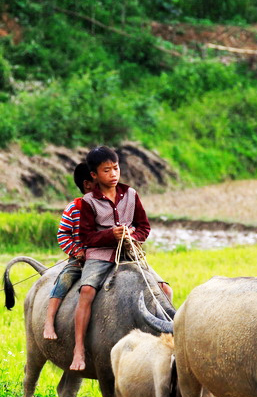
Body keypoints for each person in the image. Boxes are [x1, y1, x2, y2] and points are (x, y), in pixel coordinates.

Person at [69, 146, 172, 371]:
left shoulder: (131, 194)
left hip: (129, 252)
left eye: (115, 168)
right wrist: (110, 235)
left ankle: (165, 343)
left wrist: (133, 236)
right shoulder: (88, 201)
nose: (113, 174)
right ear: (94, 176)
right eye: (106, 170)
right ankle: (79, 348)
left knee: (165, 289)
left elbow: (144, 226)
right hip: (100, 254)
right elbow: (86, 237)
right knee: (87, 291)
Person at [43, 163, 95, 340]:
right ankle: (49, 321)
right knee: (64, 279)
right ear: (88, 183)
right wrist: (76, 251)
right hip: (80, 260)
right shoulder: (74, 208)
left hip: (106, 258)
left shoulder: (109, 205)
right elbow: (63, 234)